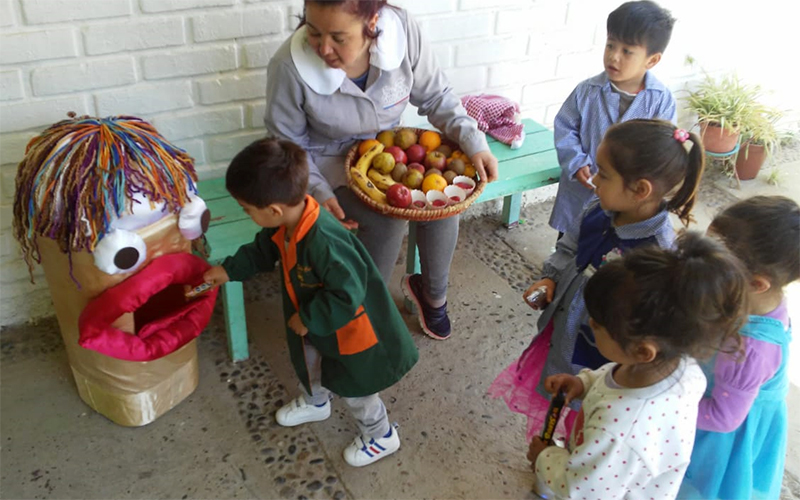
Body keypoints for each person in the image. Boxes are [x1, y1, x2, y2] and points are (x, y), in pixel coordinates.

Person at [264, 0, 499, 340]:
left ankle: (432, 294)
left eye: (338, 37)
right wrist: (318, 192)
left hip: (389, 149)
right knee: (386, 220)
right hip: (325, 162)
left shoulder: (403, 31)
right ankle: (363, 312)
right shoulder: (288, 66)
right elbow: (288, 147)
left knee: (443, 201)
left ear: (372, 23)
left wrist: (474, 141)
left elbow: (437, 97)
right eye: (313, 32)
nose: (324, 48)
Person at [203, 138, 419, 467]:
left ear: (273, 210)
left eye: (247, 210)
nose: (247, 216)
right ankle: (317, 401)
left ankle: (380, 435)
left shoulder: (324, 241)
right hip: (312, 320)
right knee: (309, 362)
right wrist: (227, 270)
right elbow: (262, 251)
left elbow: (347, 293)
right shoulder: (285, 223)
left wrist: (311, 318)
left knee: (355, 387)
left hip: (348, 330)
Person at [489, 120, 705, 441]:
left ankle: (572, 467)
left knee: (589, 415)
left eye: (603, 174)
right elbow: (569, 246)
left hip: (601, 351)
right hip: (565, 326)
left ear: (640, 189)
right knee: (560, 390)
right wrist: (551, 278)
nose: (592, 178)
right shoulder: (597, 207)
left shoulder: (658, 254)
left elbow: (650, 325)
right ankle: (556, 447)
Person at [528, 233, 749, 500]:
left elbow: (581, 490)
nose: (591, 326)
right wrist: (583, 383)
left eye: (597, 324)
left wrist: (545, 457)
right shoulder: (679, 365)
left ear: (643, 351)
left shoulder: (619, 429)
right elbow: (616, 375)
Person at [679, 196, 800, 500]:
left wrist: (666, 406)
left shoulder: (748, 349)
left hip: (720, 437)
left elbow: (722, 418)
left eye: (711, 265)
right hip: (723, 401)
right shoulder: (758, 300)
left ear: (757, 283)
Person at [549, 0, 677, 239]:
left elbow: (662, 151)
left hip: (627, 197)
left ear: (652, 60)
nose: (614, 57)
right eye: (610, 45)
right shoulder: (586, 90)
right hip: (583, 188)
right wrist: (576, 162)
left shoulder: (660, 101)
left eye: (627, 51)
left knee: (612, 247)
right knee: (570, 242)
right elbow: (565, 127)